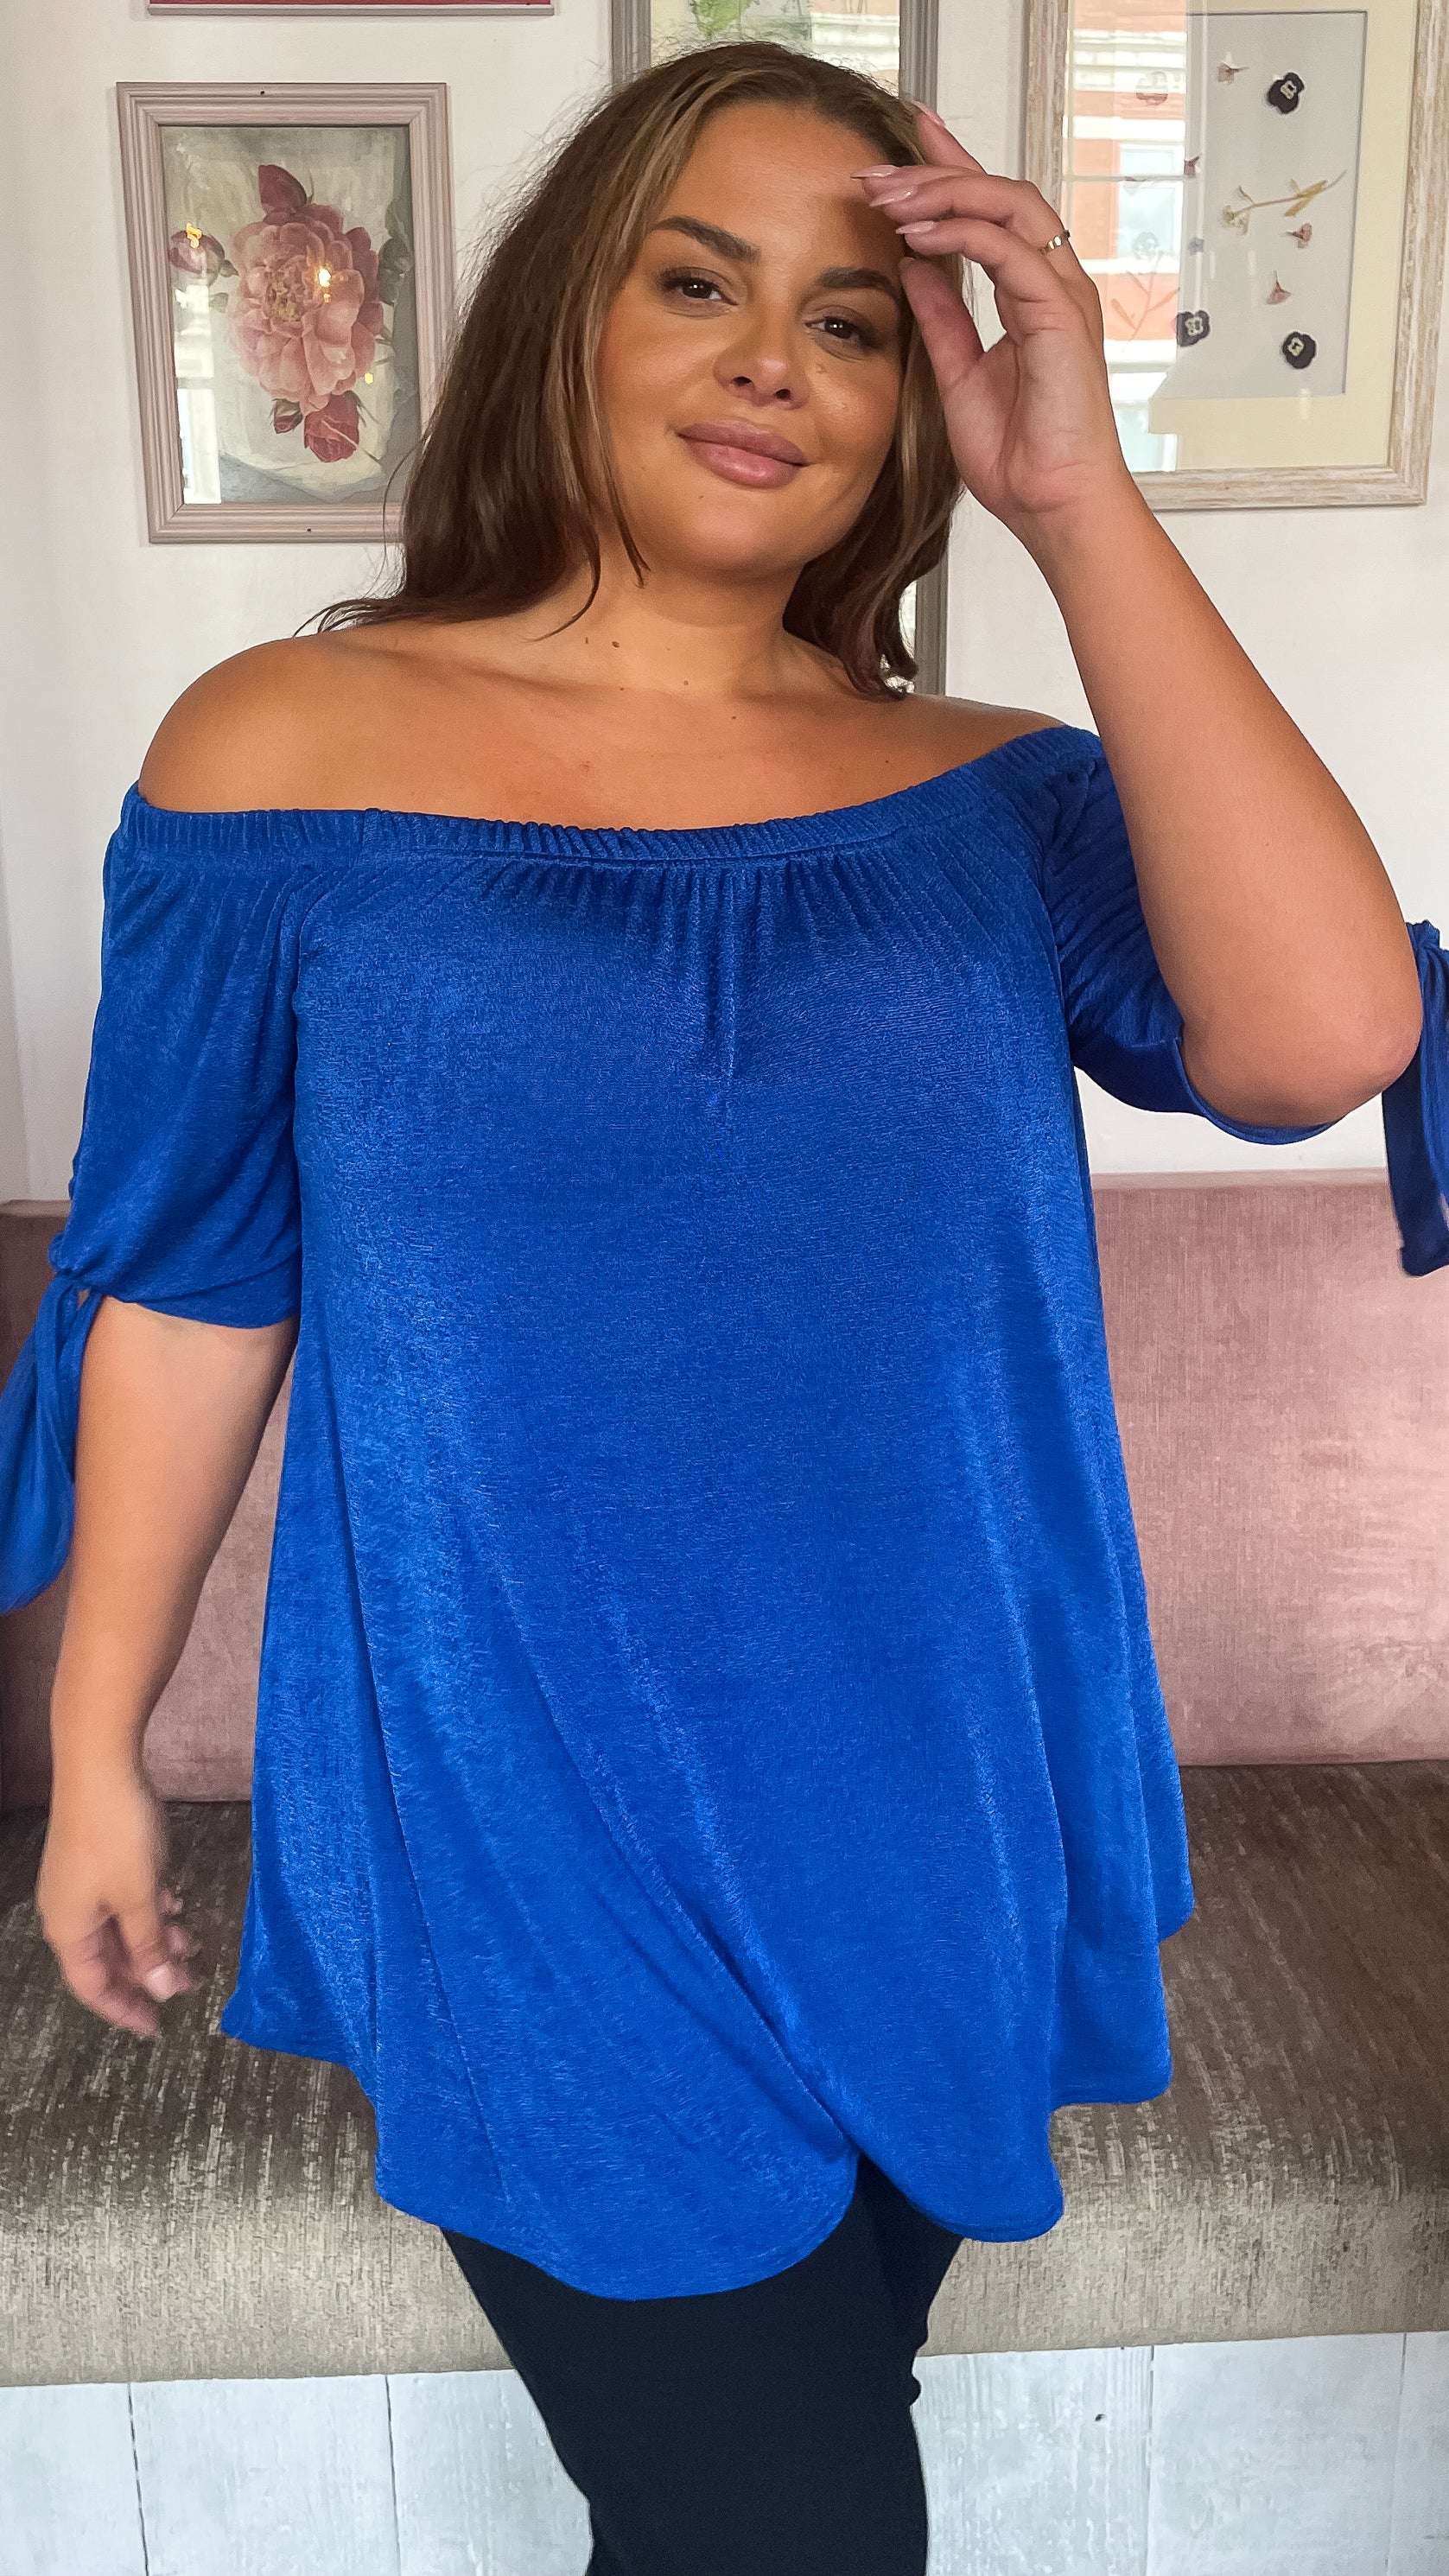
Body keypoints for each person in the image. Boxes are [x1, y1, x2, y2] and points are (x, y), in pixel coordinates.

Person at [1, 38, 1444, 2576]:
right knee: (794, 2534)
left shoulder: (995, 794)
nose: (775, 359)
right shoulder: (284, 749)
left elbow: (1322, 1037)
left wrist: (1082, 499)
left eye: (855, 321)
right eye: (698, 284)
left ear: (917, 402)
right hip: (528, 1805)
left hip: (936, 1790)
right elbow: (194, 1280)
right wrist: (97, 1736)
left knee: (758, 2488)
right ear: (568, 315)